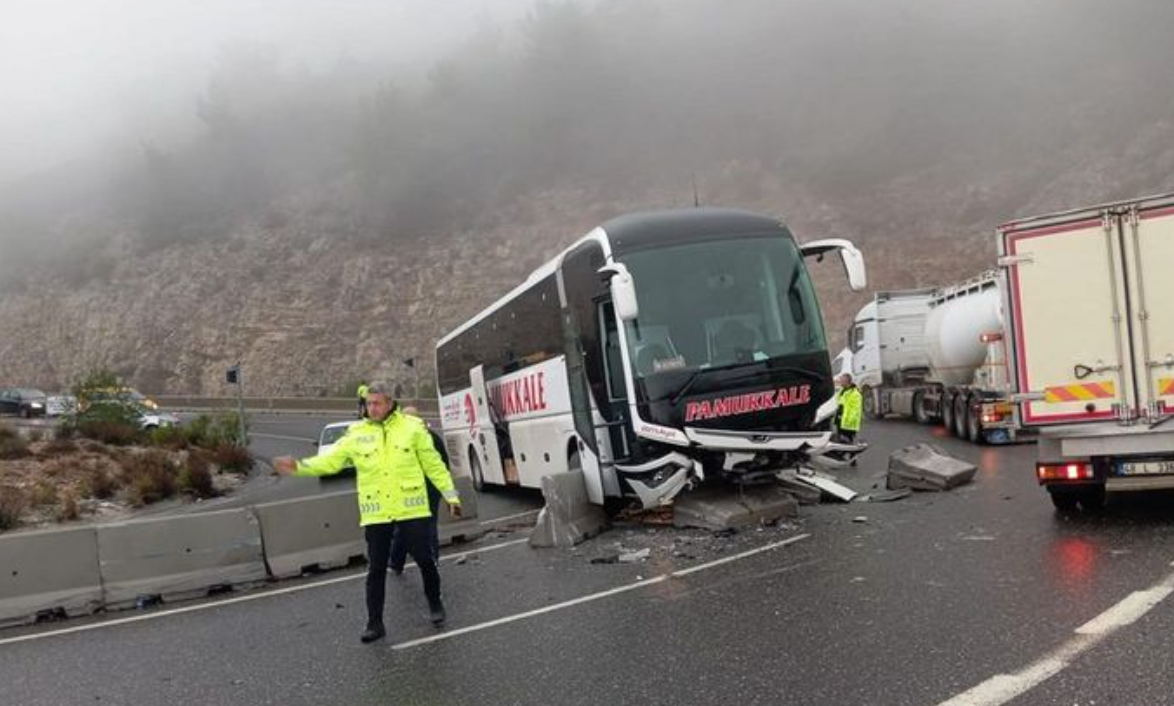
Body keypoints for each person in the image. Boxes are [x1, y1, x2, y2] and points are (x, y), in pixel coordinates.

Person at [273, 382, 461, 644]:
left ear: (389, 403)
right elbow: (330, 461)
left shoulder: (412, 428)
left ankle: (434, 604)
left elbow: (434, 466)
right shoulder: (356, 433)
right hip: (377, 512)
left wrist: (451, 495)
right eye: (368, 403)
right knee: (376, 569)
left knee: (425, 559)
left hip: (412, 507)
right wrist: (298, 467)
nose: (371, 408)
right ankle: (375, 623)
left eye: (376, 403)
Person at [389, 405, 447, 572]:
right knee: (429, 527)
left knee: (403, 530)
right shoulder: (433, 438)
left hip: (411, 492)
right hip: (430, 491)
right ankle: (433, 560)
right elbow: (444, 465)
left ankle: (396, 563)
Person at [835, 373, 863, 443]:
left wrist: (848, 420)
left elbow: (855, 409)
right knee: (841, 443)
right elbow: (838, 404)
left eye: (841, 380)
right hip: (840, 422)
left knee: (847, 443)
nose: (840, 382)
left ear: (846, 381)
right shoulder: (842, 391)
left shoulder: (855, 394)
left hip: (848, 424)